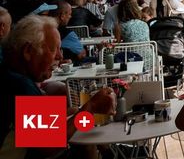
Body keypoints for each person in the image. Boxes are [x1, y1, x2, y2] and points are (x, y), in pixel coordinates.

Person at [0, 15, 115, 158]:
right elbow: (48, 144)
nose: (60, 57)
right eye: (54, 49)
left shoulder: (10, 74)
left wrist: (77, 112)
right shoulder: (20, 85)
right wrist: (90, 107)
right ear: (28, 51)